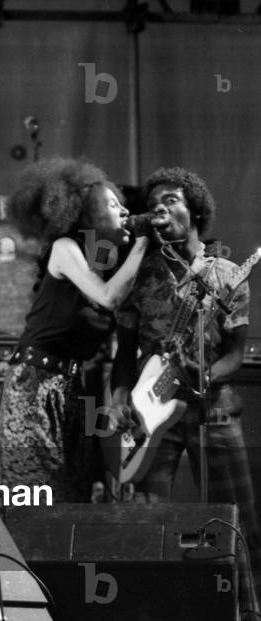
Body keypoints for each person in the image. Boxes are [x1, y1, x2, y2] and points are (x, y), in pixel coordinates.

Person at [111, 167, 261, 609]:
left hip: (212, 411)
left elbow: (236, 351)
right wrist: (120, 398)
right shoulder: (140, 275)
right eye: (153, 201)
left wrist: (206, 376)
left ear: (194, 208)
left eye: (171, 199)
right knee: (149, 520)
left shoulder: (228, 273)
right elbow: (123, 353)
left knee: (234, 522)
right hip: (153, 417)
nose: (160, 206)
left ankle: (242, 609)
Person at [0, 158, 150, 502]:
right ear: (87, 214)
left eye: (123, 204)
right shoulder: (66, 251)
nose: (123, 211)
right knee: (36, 493)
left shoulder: (111, 268)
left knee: (72, 494)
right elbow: (108, 299)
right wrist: (142, 244)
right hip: (33, 384)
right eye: (112, 204)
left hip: (72, 388)